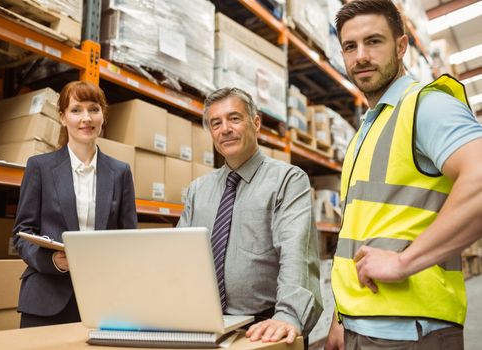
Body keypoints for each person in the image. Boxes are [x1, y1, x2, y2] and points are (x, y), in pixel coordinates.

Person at [325, 1, 482, 349]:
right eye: (351, 46)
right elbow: (364, 229)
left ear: (401, 46)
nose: (361, 56)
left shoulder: (427, 106)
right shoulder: (369, 127)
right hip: (362, 325)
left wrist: (404, 262)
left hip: (411, 332)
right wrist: (341, 316)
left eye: (374, 41)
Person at [177, 87, 323, 347]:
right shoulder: (198, 191)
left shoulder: (287, 180)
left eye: (234, 118)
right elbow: (179, 258)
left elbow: (296, 253)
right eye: (216, 123)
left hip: (265, 326)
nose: (225, 129)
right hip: (210, 327)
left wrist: (288, 315)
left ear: (256, 123)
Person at [13, 81, 138, 328]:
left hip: (104, 299)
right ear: (62, 117)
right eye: (76, 110)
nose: (86, 118)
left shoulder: (120, 172)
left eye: (94, 109)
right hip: (46, 298)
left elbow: (130, 240)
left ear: (103, 116)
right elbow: (21, 236)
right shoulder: (40, 167)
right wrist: (53, 262)